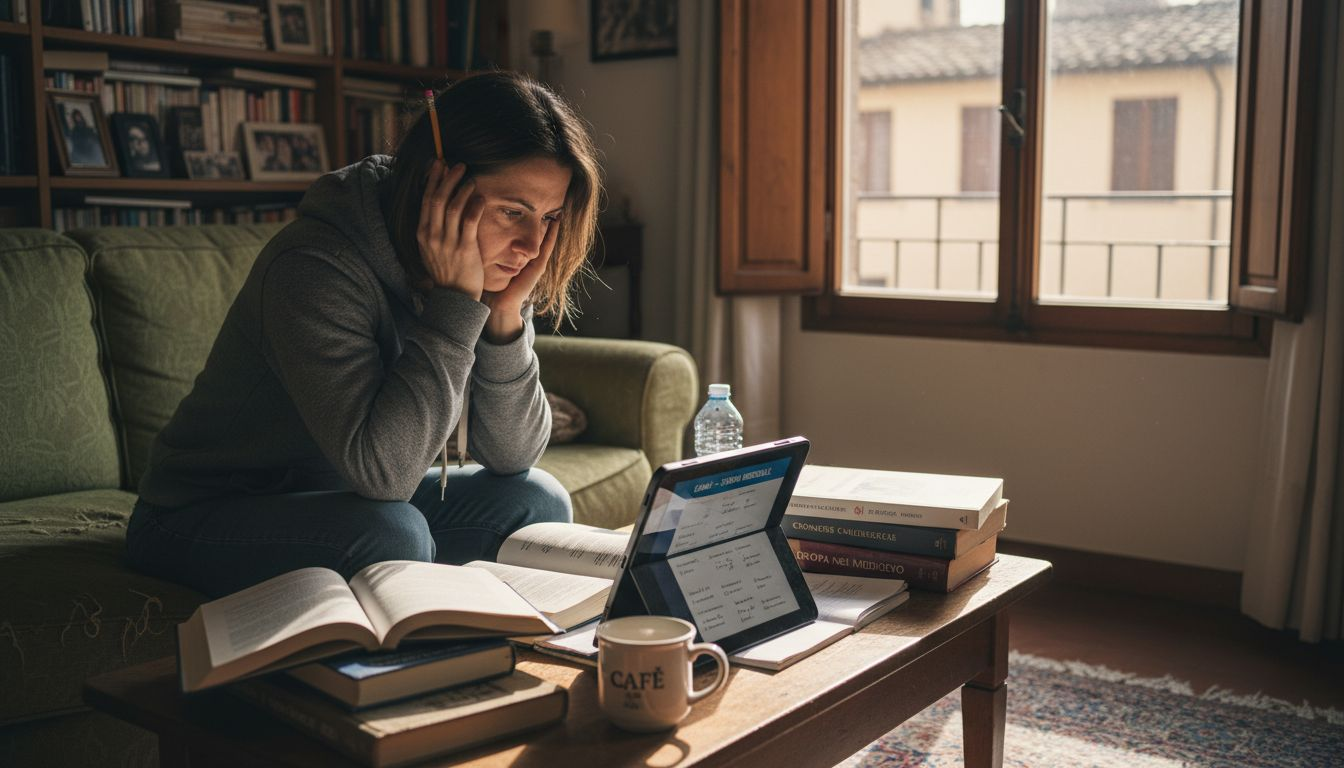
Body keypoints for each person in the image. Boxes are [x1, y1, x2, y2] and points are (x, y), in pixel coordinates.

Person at [124, 71, 601, 598]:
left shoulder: (494, 269)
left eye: (550, 217)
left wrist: (505, 316)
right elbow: (385, 478)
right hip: (201, 513)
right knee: (392, 533)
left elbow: (512, 457)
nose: (534, 245)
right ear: (437, 186)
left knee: (539, 503)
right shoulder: (314, 265)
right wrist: (456, 309)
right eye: (514, 212)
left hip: (347, 498)